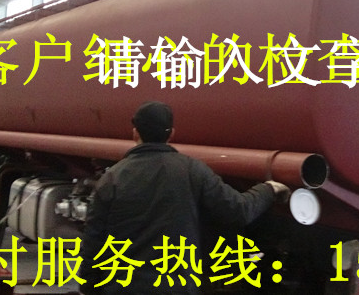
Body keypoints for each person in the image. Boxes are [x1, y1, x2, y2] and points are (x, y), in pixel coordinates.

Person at [79, 101, 290, 295]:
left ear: (135, 133)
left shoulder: (112, 179)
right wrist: (268, 189)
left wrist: (88, 286)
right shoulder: (192, 170)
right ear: (171, 134)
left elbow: (93, 240)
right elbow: (237, 210)